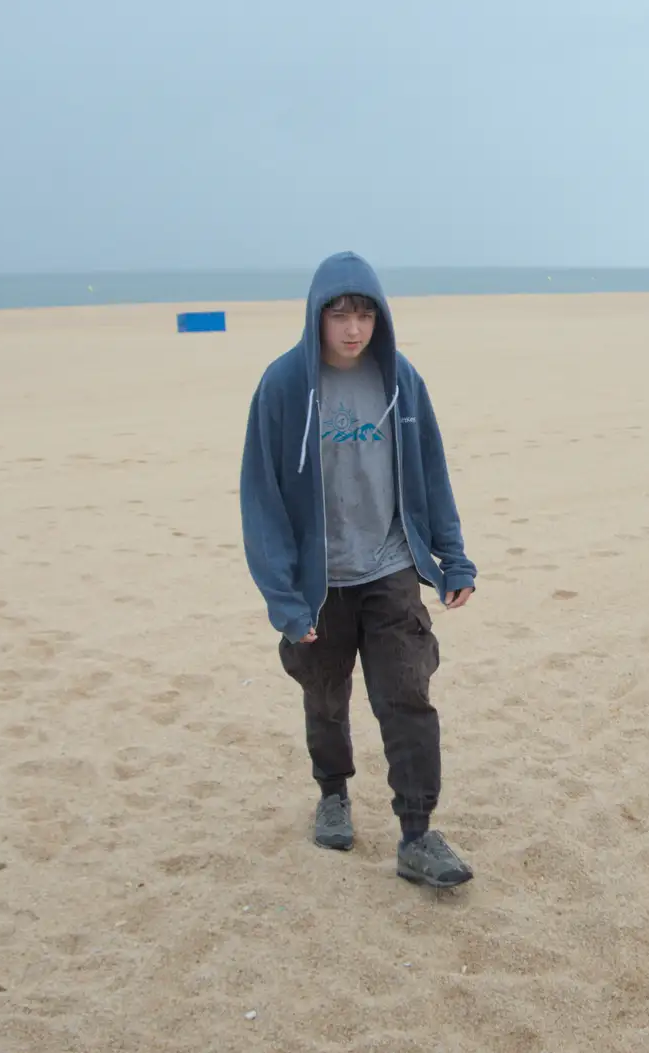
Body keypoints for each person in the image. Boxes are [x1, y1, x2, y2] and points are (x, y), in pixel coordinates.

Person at [239, 251, 478, 889]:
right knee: (325, 693)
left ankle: (417, 833)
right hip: (320, 580)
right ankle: (333, 793)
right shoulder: (284, 385)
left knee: (406, 694)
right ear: (317, 315)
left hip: (391, 564)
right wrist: (284, 597)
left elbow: (431, 472)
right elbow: (260, 497)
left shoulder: (400, 379)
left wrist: (452, 555)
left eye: (365, 313)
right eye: (339, 313)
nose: (353, 328)